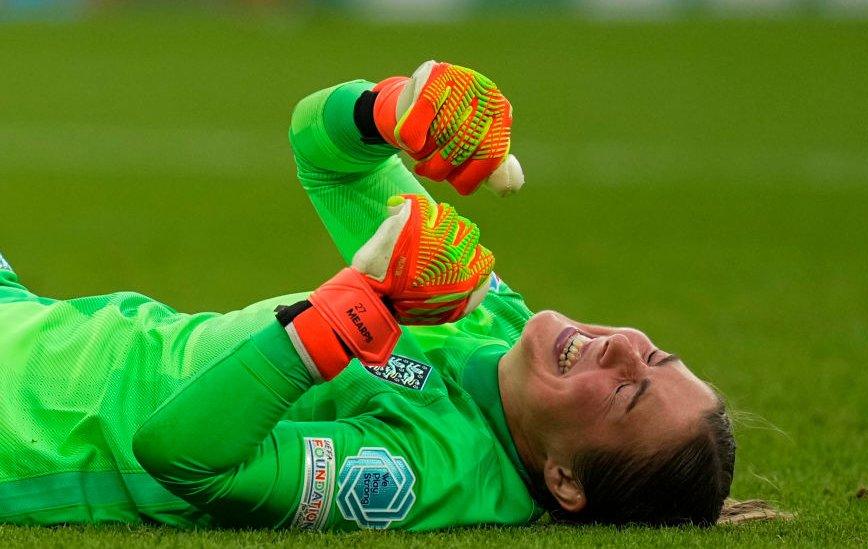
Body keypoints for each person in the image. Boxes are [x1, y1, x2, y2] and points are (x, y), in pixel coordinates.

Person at [0, 61, 735, 530]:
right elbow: (322, 155)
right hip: (26, 318)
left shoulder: (426, 472)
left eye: (628, 394)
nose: (626, 350)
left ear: (565, 479)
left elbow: (183, 454)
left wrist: (349, 316)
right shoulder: (487, 311)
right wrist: (388, 111)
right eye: (659, 357)